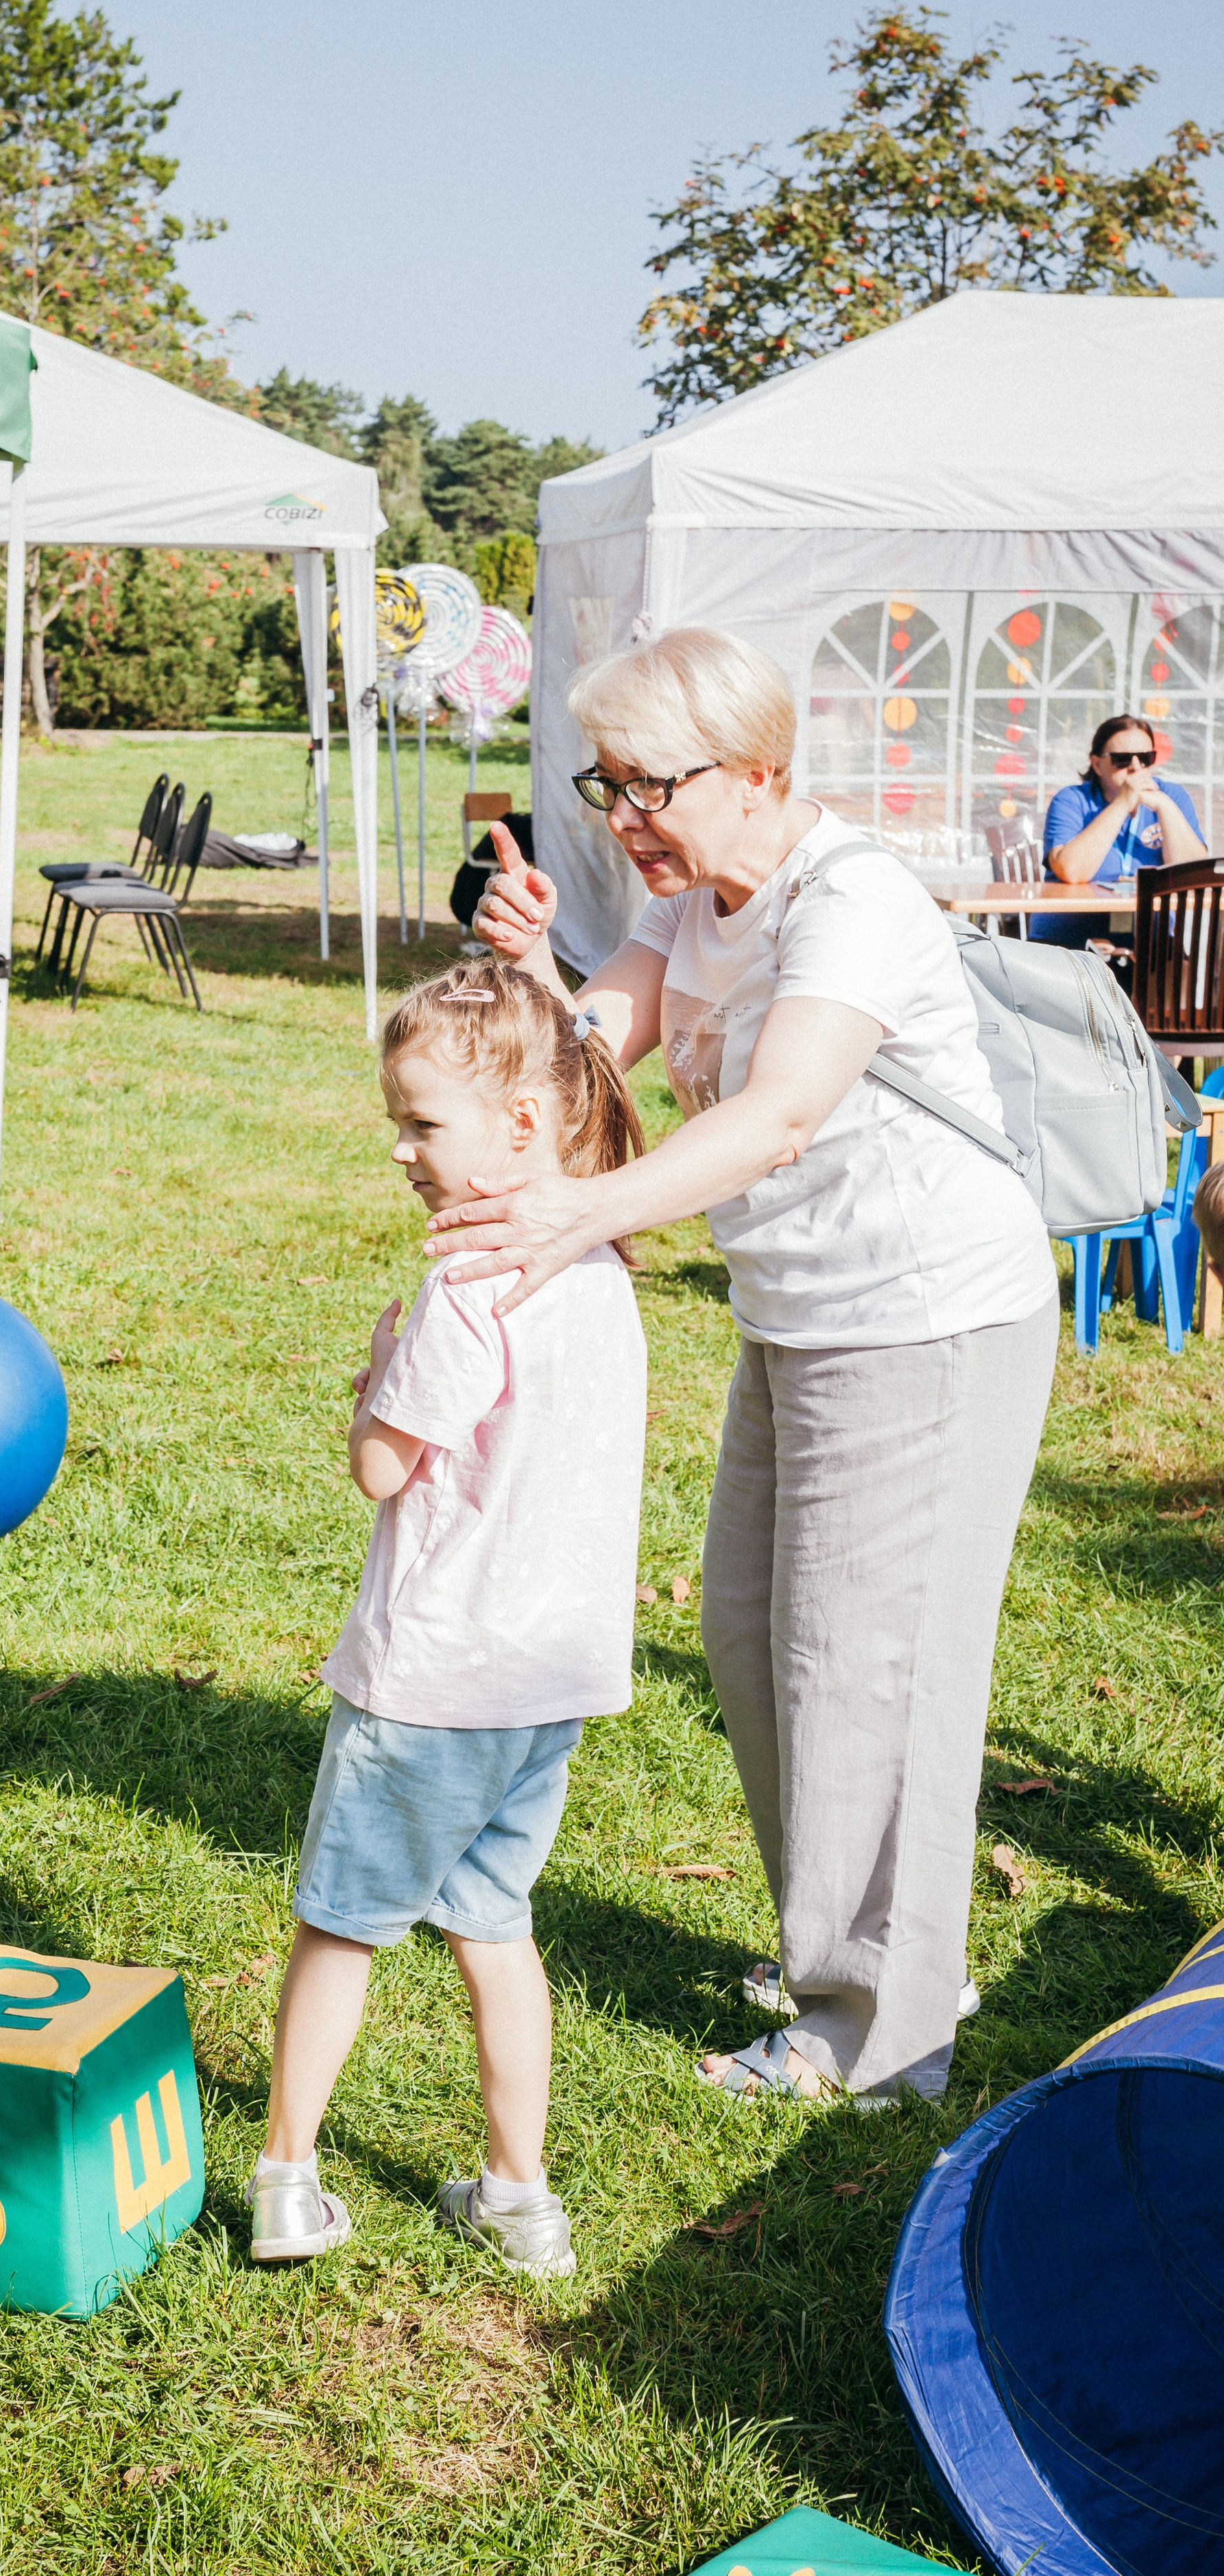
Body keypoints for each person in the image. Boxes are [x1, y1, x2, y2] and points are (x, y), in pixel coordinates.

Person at [447, 624, 1057, 2108]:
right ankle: (860, 1949)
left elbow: (779, 1113)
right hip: (803, 1313)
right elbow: (593, 1056)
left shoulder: (849, 900)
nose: (620, 818)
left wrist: (582, 1214)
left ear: (758, 770)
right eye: (605, 785)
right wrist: (532, 974)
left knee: (861, 1667)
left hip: (926, 1316)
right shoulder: (688, 899)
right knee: (750, 1640)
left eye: (647, 785)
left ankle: (877, 2030)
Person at [250, 959, 648, 2277]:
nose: (402, 1150)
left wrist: (378, 1372)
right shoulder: (605, 1267)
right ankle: (521, 2198)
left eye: (422, 1122)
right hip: (550, 1682)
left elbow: (383, 1466)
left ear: (522, 1123)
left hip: (433, 1679)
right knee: (497, 1924)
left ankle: (288, 2177)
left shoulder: (471, 1283)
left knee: (341, 1922)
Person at [1033, 712, 1208, 958]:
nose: (1136, 767)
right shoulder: (1071, 799)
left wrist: (1164, 807)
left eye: (1145, 758)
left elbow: (1192, 872)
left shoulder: (1171, 796)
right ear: (1097, 765)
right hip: (1070, 940)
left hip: (1149, 940)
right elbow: (1071, 871)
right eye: (1122, 759)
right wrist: (1122, 804)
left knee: (1180, 965)